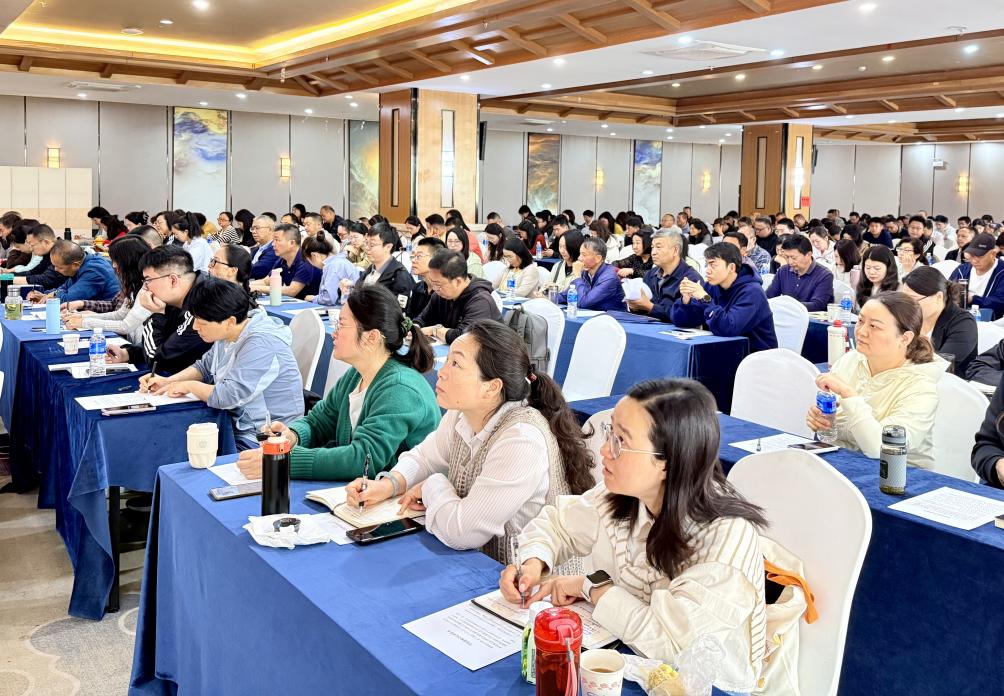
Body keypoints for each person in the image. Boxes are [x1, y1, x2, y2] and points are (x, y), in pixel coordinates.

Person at [499, 378, 769, 691]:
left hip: (707, 686)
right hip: (630, 660)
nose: (604, 449)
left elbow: (672, 647)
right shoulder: (625, 494)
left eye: (620, 441)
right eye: (609, 432)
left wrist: (593, 587)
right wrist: (533, 564)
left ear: (667, 462)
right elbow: (558, 525)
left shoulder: (725, 537)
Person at [346, 321, 595, 565]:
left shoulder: (521, 439)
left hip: (523, 582)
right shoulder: (462, 413)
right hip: (478, 564)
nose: (442, 372)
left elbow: (463, 532)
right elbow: (425, 457)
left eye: (456, 364)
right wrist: (388, 484)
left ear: (492, 387)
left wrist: (433, 485)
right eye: (448, 361)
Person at [235, 285, 439, 479]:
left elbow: (363, 459)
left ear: (372, 337)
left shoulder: (400, 389)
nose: (334, 332)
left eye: (341, 324)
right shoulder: (356, 375)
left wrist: (283, 461)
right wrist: (292, 436)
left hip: (398, 498)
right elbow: (319, 422)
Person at [140, 278, 303, 450]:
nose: (195, 327)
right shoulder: (230, 333)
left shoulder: (261, 344)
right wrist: (169, 382)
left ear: (230, 321)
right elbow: (204, 366)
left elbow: (227, 396)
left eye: (202, 322)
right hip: (236, 423)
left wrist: (188, 386)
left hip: (266, 436)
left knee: (181, 448)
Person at [806, 292, 945, 469]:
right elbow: (837, 427)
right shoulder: (850, 361)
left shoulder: (921, 387)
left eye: (874, 326)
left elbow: (881, 448)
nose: (861, 331)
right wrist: (823, 421)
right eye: (861, 321)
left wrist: (849, 395)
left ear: (905, 338)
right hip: (844, 464)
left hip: (897, 475)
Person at [105, 246, 212, 374]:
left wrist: (156, 313)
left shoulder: (201, 307)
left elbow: (158, 361)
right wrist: (128, 353)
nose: (145, 288)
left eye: (148, 280)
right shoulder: (181, 295)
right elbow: (168, 342)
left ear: (173, 280)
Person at [671, 242, 778, 352]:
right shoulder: (712, 286)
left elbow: (728, 328)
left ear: (731, 267)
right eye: (707, 265)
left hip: (754, 355)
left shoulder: (752, 292)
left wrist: (705, 298)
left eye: (713, 265)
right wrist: (686, 300)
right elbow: (682, 322)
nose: (708, 270)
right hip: (721, 349)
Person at [62, 236, 153, 342]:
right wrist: (82, 317)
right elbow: (120, 315)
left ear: (128, 262)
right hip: (132, 344)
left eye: (116, 261)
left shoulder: (147, 287)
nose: (114, 265)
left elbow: (125, 326)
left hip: (141, 347)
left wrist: (84, 322)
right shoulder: (134, 285)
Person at [902, 266, 977, 375]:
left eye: (913, 300)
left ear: (938, 297)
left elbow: (941, 364)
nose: (907, 305)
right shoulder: (908, 318)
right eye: (905, 299)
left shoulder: (964, 323)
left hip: (948, 382)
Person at [415, 250, 501, 344]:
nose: (434, 288)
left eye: (438, 284)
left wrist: (435, 330)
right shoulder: (440, 294)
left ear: (458, 281)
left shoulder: (480, 301)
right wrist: (415, 328)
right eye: (432, 283)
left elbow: (465, 338)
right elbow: (423, 318)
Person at [632, 228, 702, 321]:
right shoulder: (650, 275)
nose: (653, 253)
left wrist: (650, 307)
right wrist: (636, 306)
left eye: (658, 247)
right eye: (652, 247)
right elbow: (643, 309)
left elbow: (687, 318)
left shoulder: (691, 279)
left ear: (675, 250)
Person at [26, 240, 120, 304]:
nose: (55, 270)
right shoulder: (82, 263)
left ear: (75, 265)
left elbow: (69, 300)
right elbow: (65, 288)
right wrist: (45, 295)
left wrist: (53, 295)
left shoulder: (95, 271)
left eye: (59, 267)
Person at [249, 224, 322, 300]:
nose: (273, 244)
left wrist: (256, 288)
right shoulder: (282, 260)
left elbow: (292, 291)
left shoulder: (305, 260)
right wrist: (245, 285)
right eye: (273, 240)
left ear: (292, 243)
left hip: (312, 305)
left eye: (277, 240)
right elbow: (266, 281)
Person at [765, 235, 835, 312]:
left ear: (808, 255)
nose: (790, 262)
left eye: (794, 258)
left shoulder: (824, 275)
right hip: (786, 315)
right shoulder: (783, 271)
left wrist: (786, 306)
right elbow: (769, 296)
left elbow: (818, 305)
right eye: (787, 257)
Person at [349, 223, 414, 302]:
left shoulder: (399, 275)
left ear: (388, 247)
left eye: (372, 245)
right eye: (366, 243)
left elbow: (397, 307)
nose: (367, 248)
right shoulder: (370, 270)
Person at [556, 238, 625, 311]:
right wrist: (549, 297)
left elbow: (584, 303)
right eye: (580, 254)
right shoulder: (585, 272)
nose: (579, 258)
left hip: (613, 317)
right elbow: (564, 296)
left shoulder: (609, 278)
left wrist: (577, 276)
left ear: (598, 258)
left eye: (584, 255)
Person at [950, 233, 1004, 319]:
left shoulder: (1001, 271)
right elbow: (948, 289)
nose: (974, 260)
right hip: (960, 319)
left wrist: (972, 299)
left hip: (992, 322)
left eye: (980, 256)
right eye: (972, 255)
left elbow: (1000, 301)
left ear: (993, 254)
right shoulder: (962, 270)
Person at [302, 234, 359, 306]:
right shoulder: (339, 261)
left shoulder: (332, 266)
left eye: (309, 260)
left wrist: (313, 298)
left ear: (315, 255)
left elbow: (329, 299)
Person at [12, 223, 63, 290]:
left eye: (32, 245)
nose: (31, 248)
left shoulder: (61, 252)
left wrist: (10, 280)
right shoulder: (48, 254)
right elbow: (33, 272)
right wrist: (8, 276)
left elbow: (46, 279)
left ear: (45, 242)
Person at [404, 237, 445, 319]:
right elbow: (410, 318)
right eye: (413, 256)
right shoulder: (418, 287)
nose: (413, 260)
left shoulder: (445, 291)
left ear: (436, 259)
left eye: (419, 256)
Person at [856, 245, 899, 309]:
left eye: (877, 268)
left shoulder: (898, 290)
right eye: (868, 267)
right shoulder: (863, 286)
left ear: (889, 268)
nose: (871, 272)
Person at [248, 215, 278, 280]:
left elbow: (256, 270)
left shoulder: (275, 249)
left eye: (257, 228)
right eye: (252, 229)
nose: (254, 231)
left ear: (270, 229)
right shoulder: (255, 250)